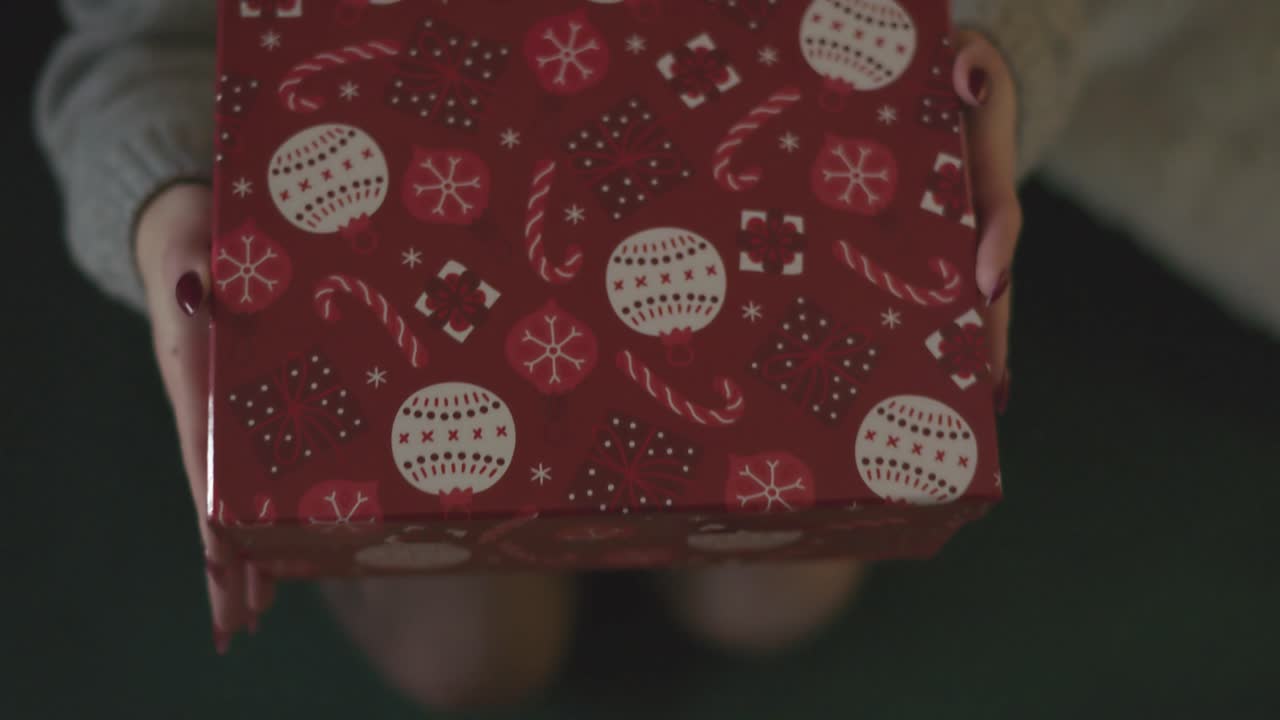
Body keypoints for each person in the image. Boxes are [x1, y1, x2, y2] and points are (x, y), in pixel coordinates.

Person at [34, 0, 1277, 711]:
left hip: (747, 156)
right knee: (470, 660)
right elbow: (140, 47)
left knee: (774, 596)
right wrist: (172, 200)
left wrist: (989, 53)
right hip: (400, 201)